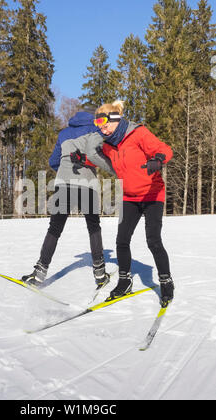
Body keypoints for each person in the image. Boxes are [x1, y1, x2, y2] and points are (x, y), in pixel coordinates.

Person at [86, 100, 174, 307]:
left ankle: (166, 281)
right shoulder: (109, 145)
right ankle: (125, 281)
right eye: (98, 123)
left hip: (152, 194)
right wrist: (83, 159)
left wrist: (158, 159)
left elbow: (164, 149)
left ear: (116, 119)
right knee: (122, 240)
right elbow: (98, 159)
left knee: (153, 240)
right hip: (129, 197)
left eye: (104, 122)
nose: (101, 127)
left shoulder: (138, 133)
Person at [22, 110, 115, 290]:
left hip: (63, 183)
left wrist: (65, 169)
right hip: (87, 184)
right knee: (93, 227)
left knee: (55, 228)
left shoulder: (63, 133)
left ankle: (39, 273)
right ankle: (100, 273)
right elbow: (101, 156)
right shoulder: (96, 130)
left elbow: (53, 161)